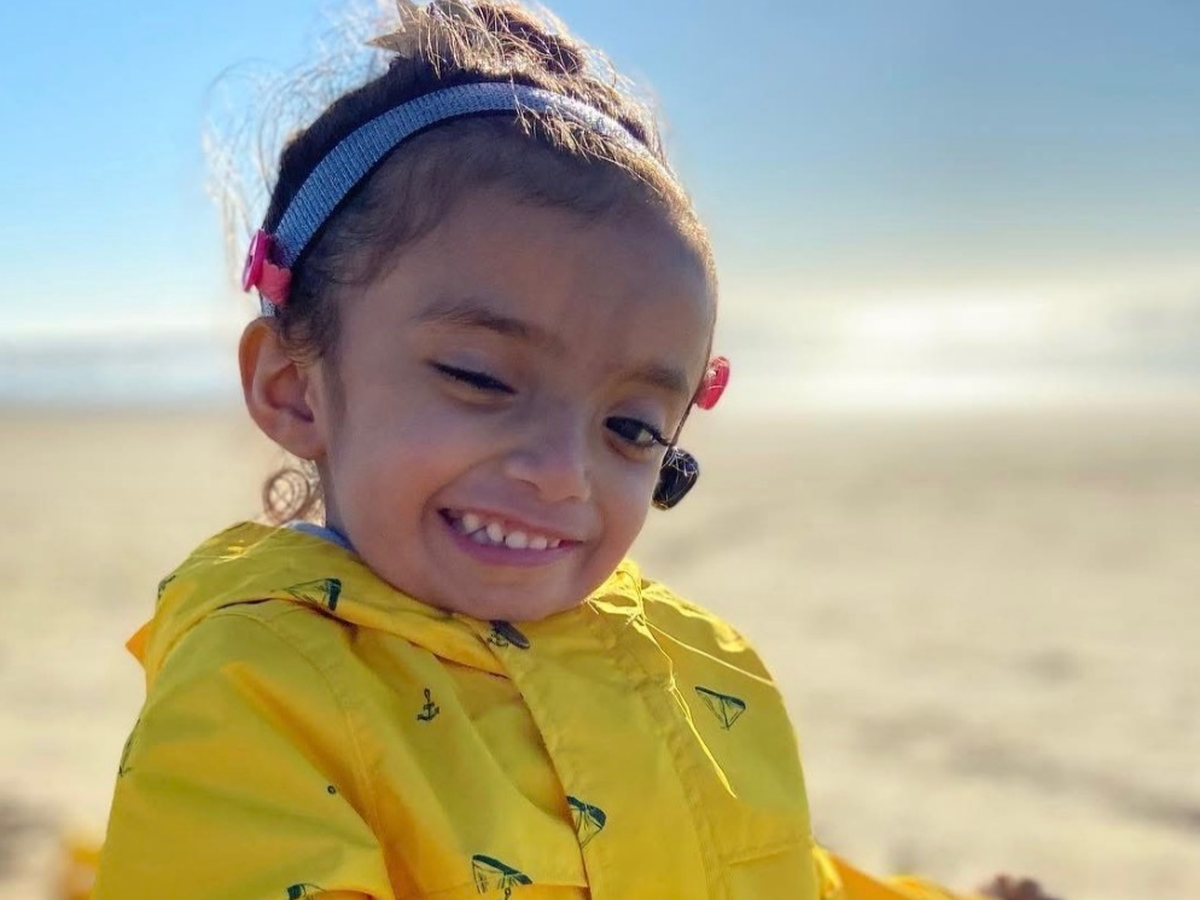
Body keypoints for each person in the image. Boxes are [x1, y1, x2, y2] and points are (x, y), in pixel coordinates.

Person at [90, 3, 1058, 899]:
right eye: (480, 377)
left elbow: (771, 871)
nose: (562, 471)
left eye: (631, 427)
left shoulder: (694, 660)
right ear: (293, 386)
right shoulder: (258, 690)